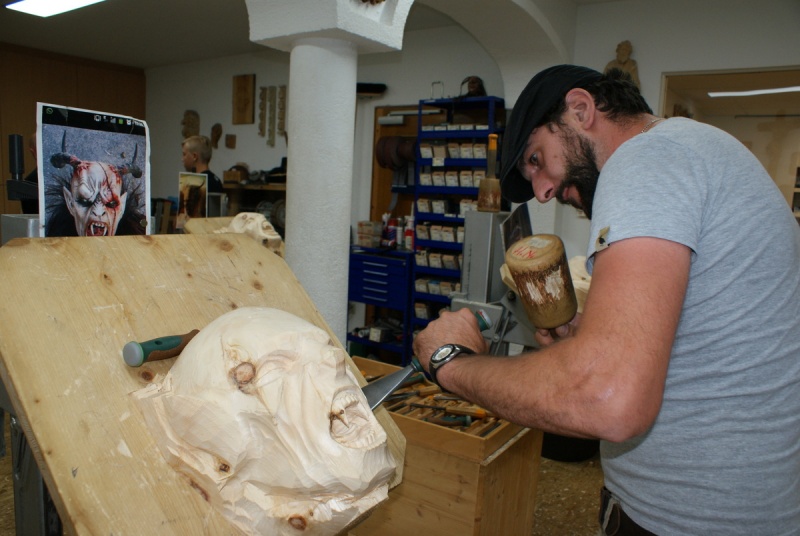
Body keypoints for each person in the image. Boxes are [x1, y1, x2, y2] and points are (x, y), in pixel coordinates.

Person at [412, 65, 800, 535]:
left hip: (692, 520)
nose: (543, 191)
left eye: (537, 159)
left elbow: (610, 399)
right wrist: (592, 338)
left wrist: (452, 362)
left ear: (580, 109)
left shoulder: (645, 161)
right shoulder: (694, 146)